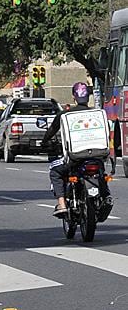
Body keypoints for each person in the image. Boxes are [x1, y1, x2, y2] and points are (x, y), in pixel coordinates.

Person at [41, 82, 112, 217]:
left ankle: (61, 204)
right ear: (88, 97)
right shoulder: (98, 113)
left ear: (74, 97)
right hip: (98, 156)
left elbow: (51, 131)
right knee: (101, 173)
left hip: (75, 158)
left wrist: (44, 142)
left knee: (55, 171)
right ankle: (106, 195)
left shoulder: (64, 115)